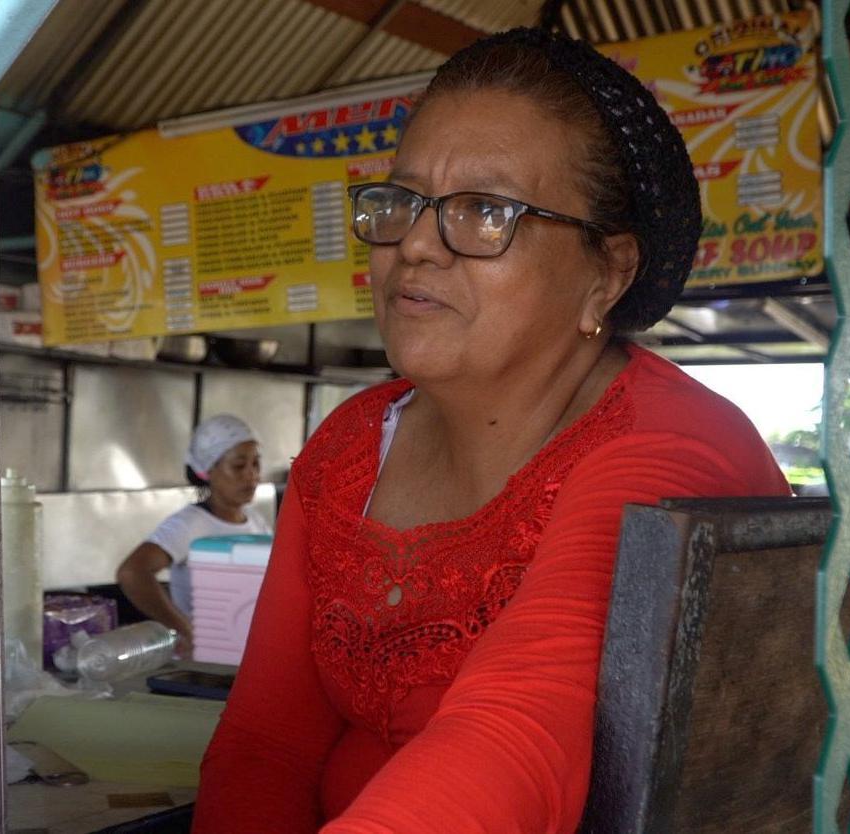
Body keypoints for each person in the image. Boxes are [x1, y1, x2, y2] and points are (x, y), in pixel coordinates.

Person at [193, 27, 790, 833]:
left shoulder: (669, 449)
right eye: (401, 201)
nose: (412, 243)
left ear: (606, 273)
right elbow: (267, 745)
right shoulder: (348, 447)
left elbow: (515, 737)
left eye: (483, 211)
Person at [116, 414, 272, 657]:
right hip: (204, 659)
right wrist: (183, 628)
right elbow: (132, 572)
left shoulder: (257, 522)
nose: (251, 475)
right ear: (207, 470)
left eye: (256, 464)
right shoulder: (190, 524)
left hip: (244, 656)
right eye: (239, 466)